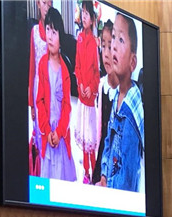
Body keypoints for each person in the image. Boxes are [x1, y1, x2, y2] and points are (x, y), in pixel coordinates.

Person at [99, 12, 144, 192]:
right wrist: (103, 177)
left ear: (133, 62)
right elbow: (108, 143)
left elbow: (127, 180)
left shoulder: (132, 110)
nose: (114, 47)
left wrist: (108, 188)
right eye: (113, 38)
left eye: (121, 40)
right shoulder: (118, 94)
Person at [35, 7, 77, 181]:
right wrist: (47, 131)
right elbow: (39, 101)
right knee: (47, 177)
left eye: (54, 32)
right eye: (48, 30)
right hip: (47, 133)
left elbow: (67, 105)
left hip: (60, 134)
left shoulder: (65, 69)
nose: (50, 36)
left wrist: (59, 133)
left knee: (62, 178)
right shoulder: (42, 64)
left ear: (61, 37)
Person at [73, 0, 100, 184]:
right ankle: (86, 171)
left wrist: (91, 86)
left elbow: (97, 72)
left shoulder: (94, 43)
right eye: (82, 13)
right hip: (82, 97)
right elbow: (77, 66)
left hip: (90, 99)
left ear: (92, 19)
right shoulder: (80, 39)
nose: (84, 17)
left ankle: (93, 169)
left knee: (90, 137)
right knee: (83, 137)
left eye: (87, 14)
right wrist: (81, 83)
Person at [92, 20, 119, 185]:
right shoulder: (102, 85)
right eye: (103, 46)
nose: (106, 54)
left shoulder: (123, 92)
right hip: (101, 156)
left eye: (111, 47)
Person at [28, 0, 52, 176]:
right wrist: (31, 103)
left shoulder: (54, 32)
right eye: (44, 2)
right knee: (39, 129)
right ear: (38, 4)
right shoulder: (35, 31)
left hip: (52, 87)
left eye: (50, 3)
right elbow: (32, 67)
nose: (47, 6)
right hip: (38, 88)